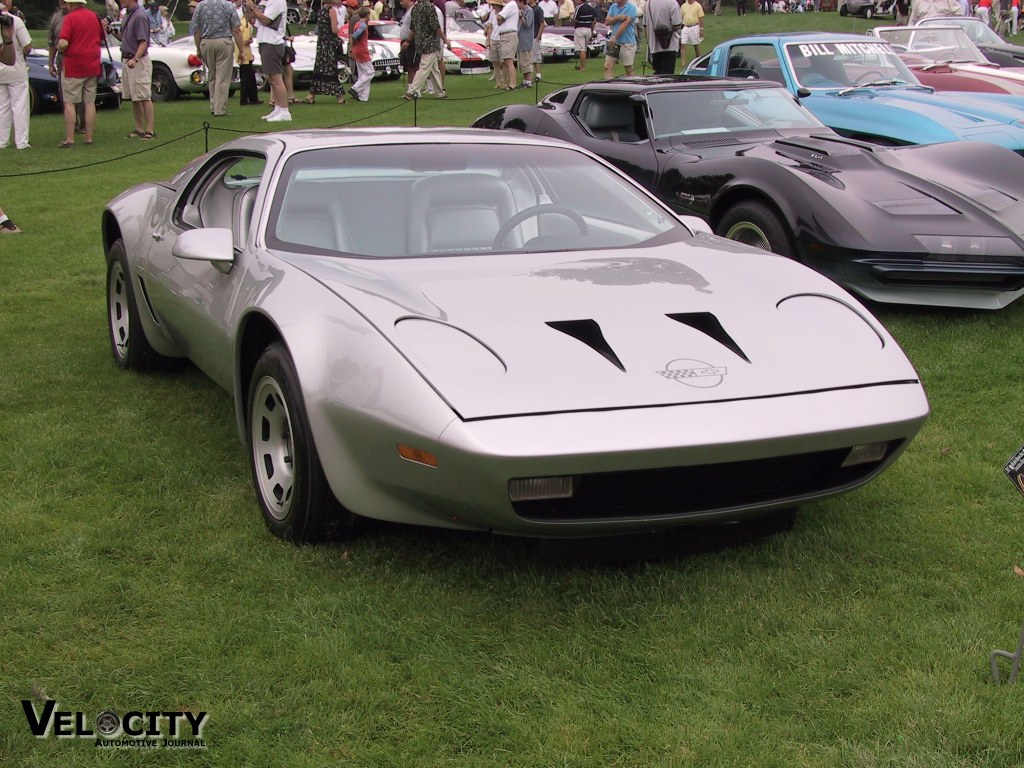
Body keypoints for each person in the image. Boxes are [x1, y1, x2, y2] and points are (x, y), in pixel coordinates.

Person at [57, 0, 104, 147]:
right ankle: (89, 137)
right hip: (92, 64)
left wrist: (60, 48)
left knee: (70, 102)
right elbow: (101, 38)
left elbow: (64, 42)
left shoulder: (70, 18)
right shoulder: (94, 16)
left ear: (70, 4)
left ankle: (70, 138)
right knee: (89, 102)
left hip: (74, 65)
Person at [192, 0, 243, 116]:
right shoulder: (228, 5)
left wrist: (198, 48)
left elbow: (196, 30)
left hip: (206, 42)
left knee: (213, 75)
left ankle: (213, 105)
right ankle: (219, 109)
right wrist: (242, 51)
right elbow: (236, 30)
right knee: (223, 77)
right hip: (223, 41)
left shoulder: (201, 6)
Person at [116, 0, 156, 139]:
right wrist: (110, 30)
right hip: (127, 60)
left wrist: (136, 58)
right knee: (135, 97)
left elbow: (143, 41)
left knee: (144, 96)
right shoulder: (128, 15)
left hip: (138, 61)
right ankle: (139, 128)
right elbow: (124, 38)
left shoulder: (139, 16)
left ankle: (149, 130)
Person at [247, 0, 292, 121]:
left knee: (276, 78)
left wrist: (253, 8)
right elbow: (256, 20)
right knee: (271, 78)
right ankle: (278, 108)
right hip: (265, 41)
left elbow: (266, 20)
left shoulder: (277, 1)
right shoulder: (266, 2)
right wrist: (251, 11)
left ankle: (284, 111)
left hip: (273, 42)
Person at [0, 0, 32, 150]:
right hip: (16, 69)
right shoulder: (15, 20)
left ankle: (2, 140)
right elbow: (27, 46)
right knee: (20, 106)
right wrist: (22, 54)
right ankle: (21, 141)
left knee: (2, 107)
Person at [403, 0, 449, 98]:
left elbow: (413, 28)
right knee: (424, 67)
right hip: (430, 43)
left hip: (420, 42)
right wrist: (445, 40)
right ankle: (412, 91)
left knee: (433, 69)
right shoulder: (430, 7)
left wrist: (408, 41)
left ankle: (440, 92)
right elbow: (436, 27)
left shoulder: (415, 8)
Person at [304, 0, 345, 102]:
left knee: (320, 68)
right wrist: (340, 30)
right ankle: (339, 96)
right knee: (331, 69)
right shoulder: (331, 11)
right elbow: (334, 30)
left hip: (321, 43)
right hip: (329, 44)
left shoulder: (321, 10)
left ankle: (311, 95)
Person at [235, 0, 261, 103]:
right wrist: (249, 41)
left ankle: (252, 97)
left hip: (246, 54)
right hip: (244, 54)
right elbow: (243, 40)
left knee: (249, 77)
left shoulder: (243, 23)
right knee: (246, 78)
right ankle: (245, 98)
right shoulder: (244, 24)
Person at [644, 0, 679, 75]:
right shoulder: (672, 3)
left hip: (654, 46)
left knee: (658, 76)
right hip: (669, 45)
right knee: (668, 77)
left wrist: (649, 43)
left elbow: (645, 26)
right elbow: (676, 24)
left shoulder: (648, 4)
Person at [603, 0, 636, 78]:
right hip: (613, 43)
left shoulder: (631, 8)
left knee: (628, 68)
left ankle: (632, 84)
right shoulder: (613, 6)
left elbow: (625, 24)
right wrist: (618, 17)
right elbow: (607, 22)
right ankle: (609, 84)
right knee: (607, 66)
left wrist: (615, 37)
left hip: (627, 42)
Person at [491, 0, 518, 89]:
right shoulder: (509, 5)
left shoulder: (511, 5)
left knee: (508, 61)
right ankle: (511, 83)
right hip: (506, 35)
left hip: (508, 35)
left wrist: (500, 18)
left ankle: (512, 83)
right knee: (507, 60)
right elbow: (499, 20)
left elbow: (499, 17)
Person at [348, 6, 374, 99]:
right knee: (370, 72)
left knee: (362, 73)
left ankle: (363, 96)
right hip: (362, 50)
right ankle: (355, 88)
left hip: (356, 50)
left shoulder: (357, 24)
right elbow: (355, 36)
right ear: (367, 15)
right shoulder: (363, 25)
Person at [571, 0, 595, 71]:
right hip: (588, 29)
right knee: (584, 49)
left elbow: (575, 19)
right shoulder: (591, 8)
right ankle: (582, 65)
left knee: (581, 49)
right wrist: (592, 31)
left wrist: (571, 19)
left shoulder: (578, 7)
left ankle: (582, 67)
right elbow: (593, 21)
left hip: (580, 29)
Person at [678, 0, 703, 67]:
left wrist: (701, 29)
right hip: (685, 27)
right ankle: (683, 63)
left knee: (696, 45)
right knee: (683, 44)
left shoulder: (698, 6)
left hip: (694, 26)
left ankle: (698, 60)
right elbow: (681, 17)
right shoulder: (683, 6)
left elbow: (701, 18)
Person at [516, 0, 534, 86]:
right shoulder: (522, 10)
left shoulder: (529, 10)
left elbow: (528, 24)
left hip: (526, 40)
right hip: (520, 40)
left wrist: (521, 17)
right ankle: (525, 81)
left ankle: (528, 82)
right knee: (522, 62)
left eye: (517, 2)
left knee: (526, 61)